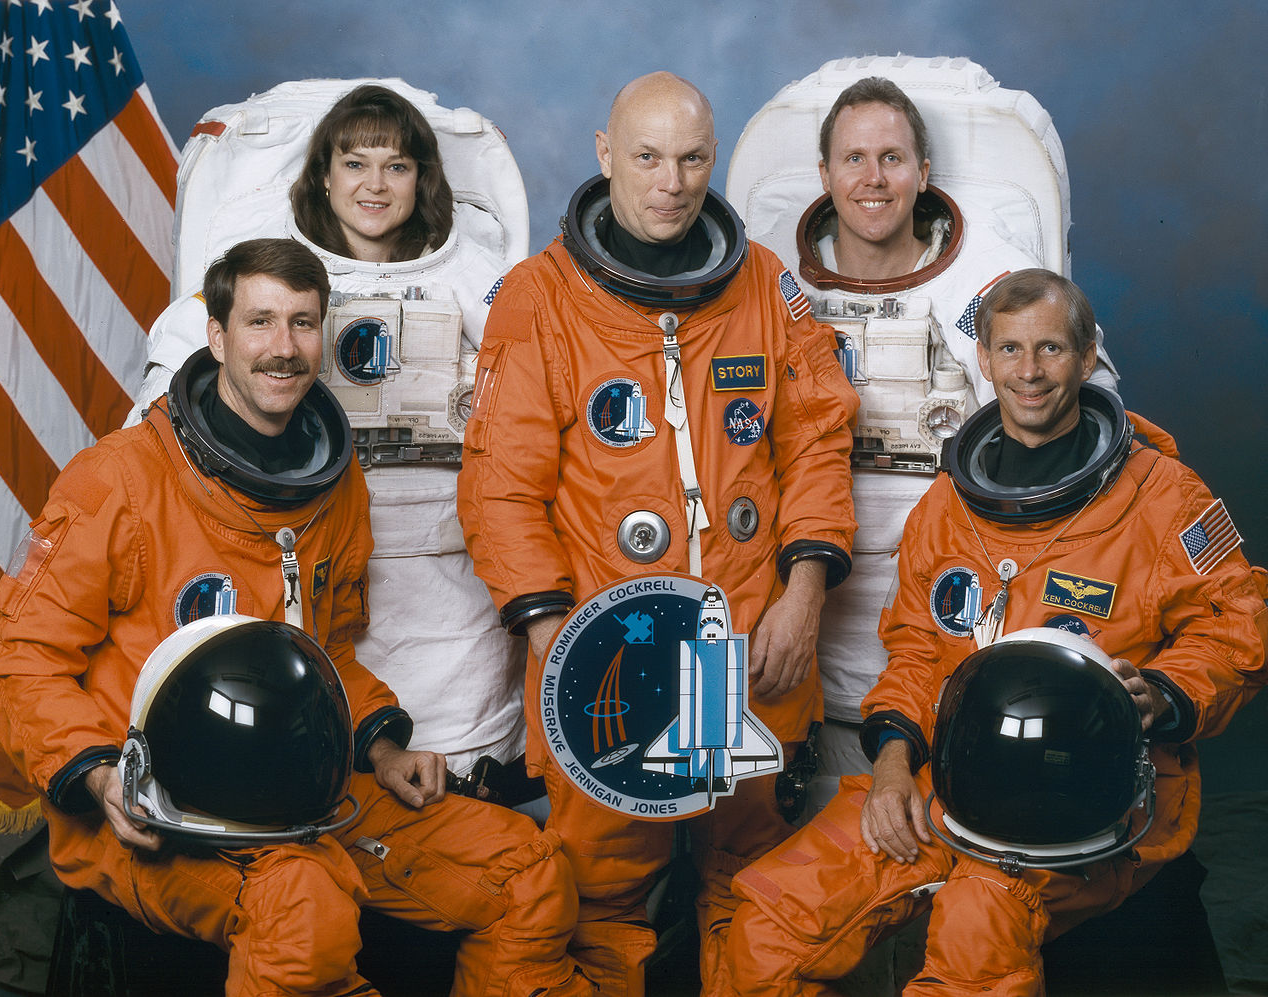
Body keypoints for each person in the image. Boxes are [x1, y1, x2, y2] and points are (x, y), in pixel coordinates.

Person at [0, 239, 590, 997]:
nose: (284, 347)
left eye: (303, 323)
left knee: (525, 871)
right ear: (217, 335)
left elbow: (325, 645)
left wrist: (382, 746)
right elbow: (22, 657)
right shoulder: (121, 480)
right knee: (302, 909)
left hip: (304, 788)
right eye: (260, 321)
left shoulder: (331, 488)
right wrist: (103, 774)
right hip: (161, 804)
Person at [725, 269, 1267, 995]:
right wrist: (891, 766)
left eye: (1049, 348)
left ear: (1083, 357)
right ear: (984, 359)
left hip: (1082, 799)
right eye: (1010, 350)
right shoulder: (948, 506)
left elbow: (1239, 627)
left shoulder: (1161, 495)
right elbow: (918, 647)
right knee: (765, 920)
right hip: (943, 780)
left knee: (975, 936)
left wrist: (1163, 693)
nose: (1030, 371)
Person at [457, 72, 858, 995]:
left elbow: (817, 447)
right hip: (608, 652)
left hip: (748, 644)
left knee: (753, 882)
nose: (671, 181)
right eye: (646, 156)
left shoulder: (765, 285)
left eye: (690, 158)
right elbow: (500, 491)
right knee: (599, 899)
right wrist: (561, 654)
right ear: (605, 156)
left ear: (711, 159)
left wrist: (804, 596)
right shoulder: (541, 297)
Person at [128, 83, 530, 796]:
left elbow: (534, 395)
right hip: (306, 549)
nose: (375, 184)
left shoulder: (472, 279)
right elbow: (166, 404)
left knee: (459, 787)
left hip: (448, 578)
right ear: (322, 174)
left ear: (423, 180)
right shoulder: (269, 279)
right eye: (355, 163)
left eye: (398, 166)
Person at [800, 76, 1120, 789]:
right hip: (810, 595)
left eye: (892, 157)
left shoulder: (984, 282)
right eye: (853, 159)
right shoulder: (777, 284)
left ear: (923, 173)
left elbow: (1083, 400)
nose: (873, 178)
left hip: (952, 583)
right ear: (824, 175)